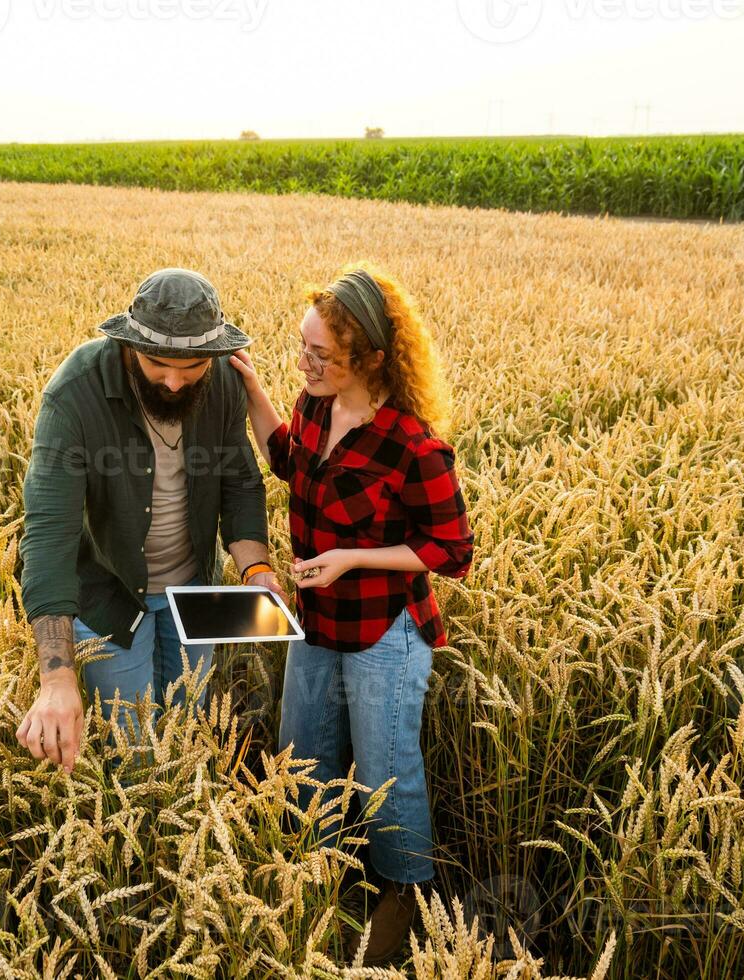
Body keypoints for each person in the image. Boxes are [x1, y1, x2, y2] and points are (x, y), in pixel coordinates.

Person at [229, 262, 474, 965]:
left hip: (385, 633)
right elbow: (288, 460)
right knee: (301, 765)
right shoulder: (312, 406)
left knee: (384, 775)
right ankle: (319, 884)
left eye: (321, 355)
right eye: (301, 348)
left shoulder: (414, 445)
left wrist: (353, 559)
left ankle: (405, 892)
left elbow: (451, 550)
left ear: (368, 358)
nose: (305, 363)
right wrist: (255, 393)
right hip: (317, 621)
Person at [15, 267, 283, 774]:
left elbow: (241, 482)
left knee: (190, 726)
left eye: (192, 368)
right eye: (158, 363)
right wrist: (56, 679)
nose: (175, 381)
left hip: (197, 589)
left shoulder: (224, 379)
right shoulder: (75, 394)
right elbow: (49, 535)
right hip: (111, 597)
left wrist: (255, 570)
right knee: (132, 749)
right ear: (129, 341)